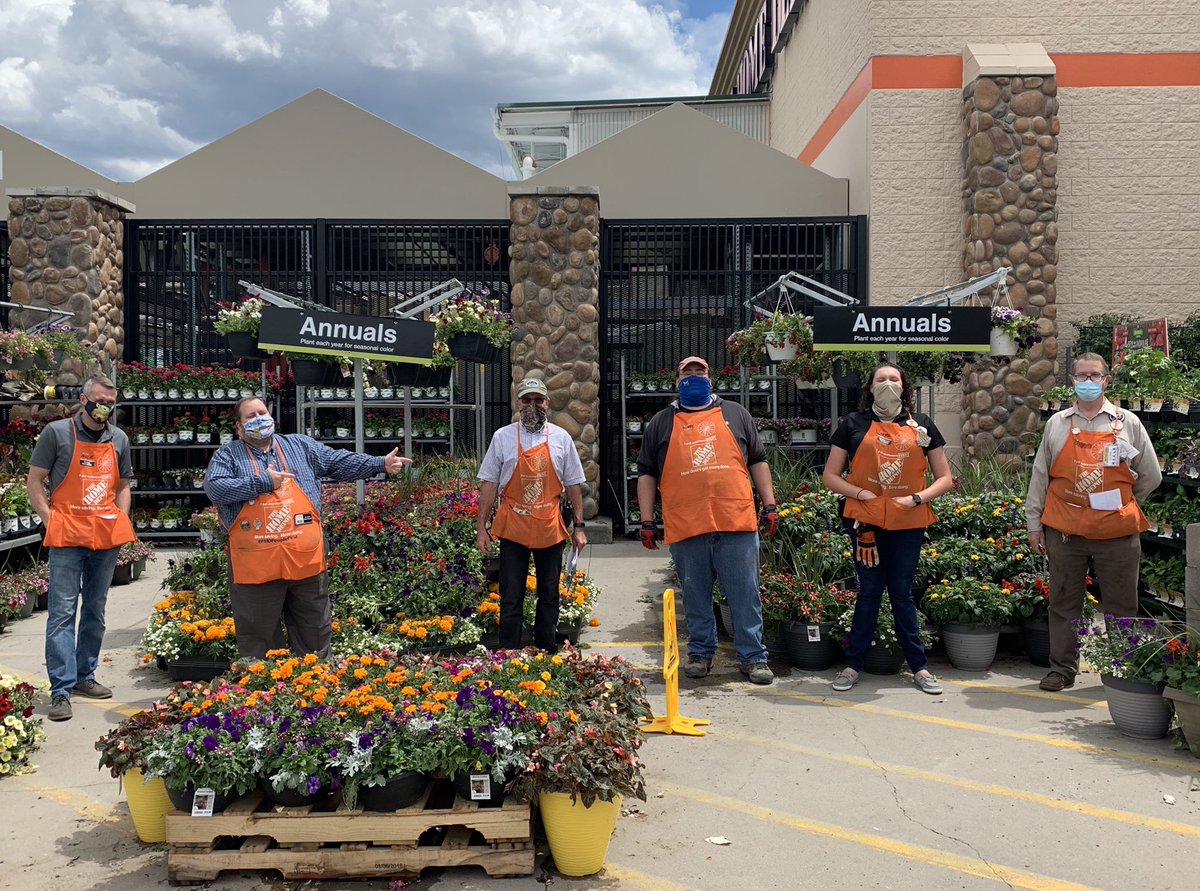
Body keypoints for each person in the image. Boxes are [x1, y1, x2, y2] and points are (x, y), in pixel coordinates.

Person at [204, 396, 411, 660]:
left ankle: (315, 680)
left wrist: (379, 463)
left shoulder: (300, 446)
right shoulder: (227, 456)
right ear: (239, 427)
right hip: (256, 567)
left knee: (314, 630)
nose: (259, 419)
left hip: (306, 562)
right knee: (258, 636)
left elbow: (337, 462)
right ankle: (263, 682)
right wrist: (262, 482)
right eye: (251, 416)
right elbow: (215, 488)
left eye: (262, 413)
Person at [636, 356, 778, 686]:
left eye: (699, 371)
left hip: (735, 520)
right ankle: (701, 653)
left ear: (710, 378)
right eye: (687, 371)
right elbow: (646, 473)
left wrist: (770, 504)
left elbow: (758, 460)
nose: (694, 375)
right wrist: (646, 520)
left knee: (745, 593)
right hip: (687, 524)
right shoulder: (661, 422)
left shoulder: (736, 414)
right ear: (677, 380)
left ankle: (753, 657)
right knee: (695, 594)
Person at [1025, 352, 1161, 692]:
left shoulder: (1127, 423)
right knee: (1063, 603)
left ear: (1107, 380)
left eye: (1095, 376)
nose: (1088, 381)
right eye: (1082, 376)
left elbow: (1151, 475)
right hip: (1065, 532)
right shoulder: (1058, 424)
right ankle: (1061, 670)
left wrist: (1124, 502)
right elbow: (1040, 476)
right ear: (1072, 380)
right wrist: (1034, 525)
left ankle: (1123, 669)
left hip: (1117, 533)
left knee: (1122, 605)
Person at [821, 362, 953, 695]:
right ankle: (853, 665)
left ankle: (919, 667)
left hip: (908, 522)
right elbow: (830, 476)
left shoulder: (922, 425)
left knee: (902, 595)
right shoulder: (852, 424)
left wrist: (917, 498)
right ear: (870, 387)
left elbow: (945, 478)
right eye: (881, 379)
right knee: (868, 593)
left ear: (904, 386)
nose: (888, 383)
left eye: (894, 378)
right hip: (865, 523)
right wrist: (859, 493)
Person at [26, 374, 135, 722]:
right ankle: (61, 690)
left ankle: (85, 676)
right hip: (68, 537)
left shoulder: (118, 439)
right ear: (84, 399)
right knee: (62, 612)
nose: (104, 408)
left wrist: (121, 518)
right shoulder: (57, 433)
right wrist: (50, 520)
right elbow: (34, 481)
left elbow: (122, 485)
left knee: (95, 610)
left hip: (105, 538)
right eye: (100, 401)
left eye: (110, 403)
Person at [475, 378, 587, 652]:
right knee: (511, 594)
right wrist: (481, 528)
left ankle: (546, 651)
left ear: (547, 403)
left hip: (549, 525)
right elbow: (489, 484)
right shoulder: (502, 437)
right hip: (513, 525)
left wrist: (579, 527)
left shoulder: (561, 438)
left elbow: (573, 484)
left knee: (549, 593)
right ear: (518, 403)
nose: (532, 405)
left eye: (538, 400)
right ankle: (508, 653)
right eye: (527, 400)